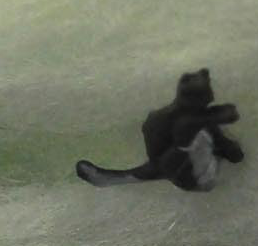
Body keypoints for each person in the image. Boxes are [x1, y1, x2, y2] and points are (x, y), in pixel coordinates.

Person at [75, 68, 244, 192]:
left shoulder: (159, 116)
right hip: (196, 179)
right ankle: (149, 173)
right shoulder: (192, 123)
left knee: (169, 151)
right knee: (193, 134)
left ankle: (123, 177)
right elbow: (235, 155)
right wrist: (230, 148)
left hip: (169, 164)